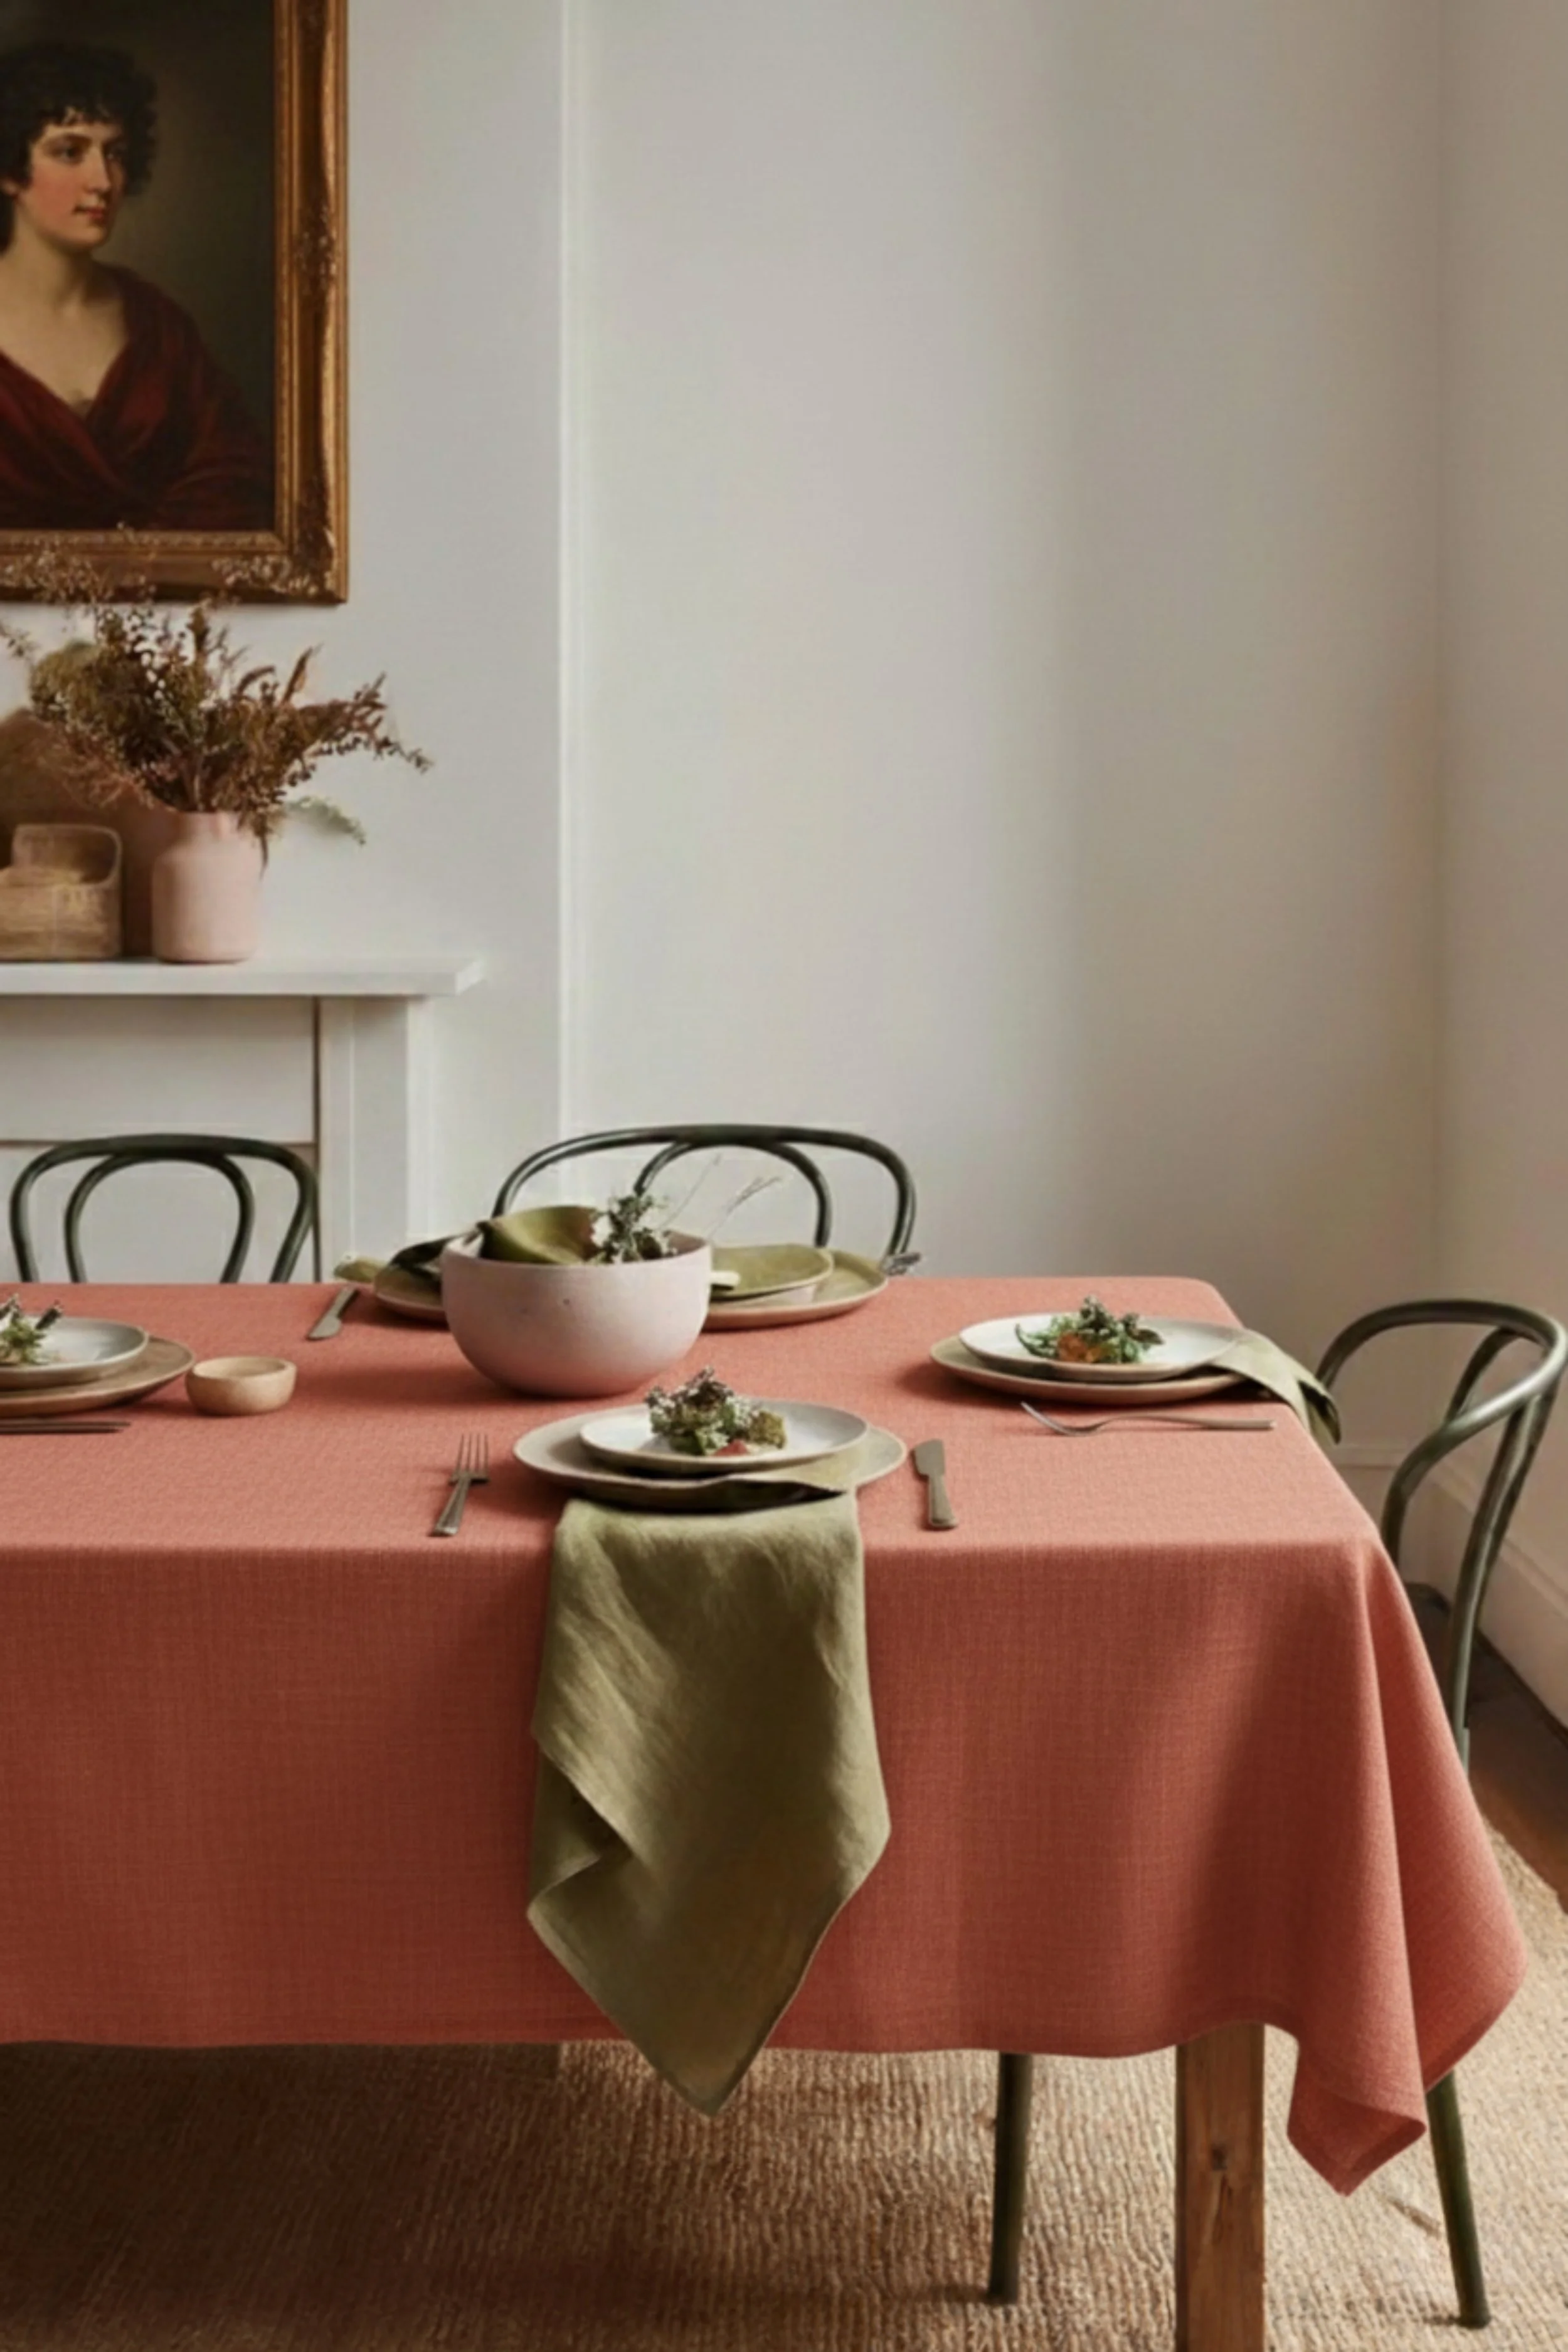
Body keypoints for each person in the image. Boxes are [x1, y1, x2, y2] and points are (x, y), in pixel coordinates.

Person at [0, 41, 272, 532]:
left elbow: (235, 480)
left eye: (116, 154)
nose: (103, 181)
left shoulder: (158, 324)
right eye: (69, 152)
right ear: (9, 172)